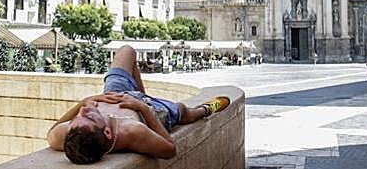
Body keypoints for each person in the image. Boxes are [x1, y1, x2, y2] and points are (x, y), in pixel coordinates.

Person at [47, 45, 230, 164]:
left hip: (115, 93)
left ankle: (141, 92)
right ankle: (206, 109)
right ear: (108, 132)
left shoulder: (69, 134)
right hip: (147, 108)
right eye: (88, 116)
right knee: (183, 111)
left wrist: (83, 102)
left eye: (76, 118)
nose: (84, 111)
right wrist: (143, 107)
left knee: (126, 51)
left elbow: (50, 133)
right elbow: (169, 150)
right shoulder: (131, 131)